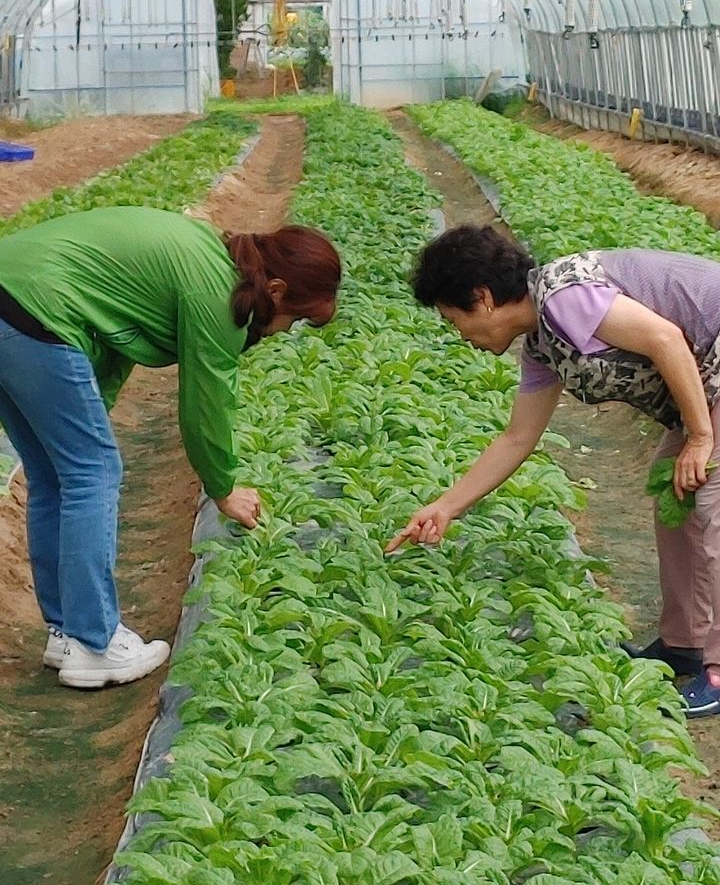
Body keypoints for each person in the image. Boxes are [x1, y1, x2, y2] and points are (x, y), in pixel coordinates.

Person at [386, 224, 720, 718]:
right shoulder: (543, 344)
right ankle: (683, 643)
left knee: (711, 499)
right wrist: (444, 507)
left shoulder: (563, 296)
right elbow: (517, 438)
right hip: (710, 377)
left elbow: (666, 338)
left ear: (483, 298)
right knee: (675, 490)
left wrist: (699, 437)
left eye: (454, 318)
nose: (460, 334)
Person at [0, 206, 340, 689]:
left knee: (55, 474)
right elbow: (206, 404)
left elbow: (115, 338)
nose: (286, 330)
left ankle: (66, 632)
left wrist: (90, 409)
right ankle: (95, 644)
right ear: (278, 291)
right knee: (91, 474)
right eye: (296, 319)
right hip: (36, 310)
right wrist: (223, 488)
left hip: (13, 294)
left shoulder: (208, 256)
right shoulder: (219, 296)